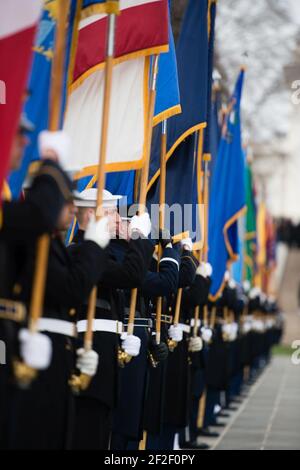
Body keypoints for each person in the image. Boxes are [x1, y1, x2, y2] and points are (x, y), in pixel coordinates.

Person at [6, 131, 110, 450]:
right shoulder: (38, 241)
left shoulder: (49, 242)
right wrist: (93, 245)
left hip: (53, 353)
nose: (69, 209)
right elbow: (71, 288)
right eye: (65, 201)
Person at [70, 188, 154, 450]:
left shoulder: (96, 254)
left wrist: (121, 337)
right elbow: (132, 275)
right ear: (95, 215)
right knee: (87, 435)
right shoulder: (82, 252)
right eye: (111, 212)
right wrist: (139, 237)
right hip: (88, 358)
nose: (118, 219)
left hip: (103, 360)